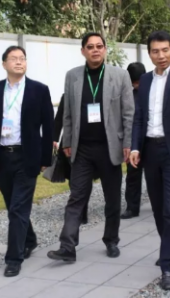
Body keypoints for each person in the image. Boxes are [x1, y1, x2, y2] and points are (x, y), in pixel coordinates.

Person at [48, 33, 134, 262]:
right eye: (90, 47)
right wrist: (67, 141)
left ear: (105, 49)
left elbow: (128, 113)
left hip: (110, 148)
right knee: (76, 197)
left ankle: (111, 240)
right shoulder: (73, 76)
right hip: (82, 149)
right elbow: (67, 113)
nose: (95, 50)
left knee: (112, 199)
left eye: (99, 46)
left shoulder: (120, 76)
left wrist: (128, 143)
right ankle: (67, 246)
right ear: (83, 51)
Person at [129, 30, 170, 291]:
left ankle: (168, 266)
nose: (161, 56)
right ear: (149, 54)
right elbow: (139, 117)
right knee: (158, 207)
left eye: (165, 50)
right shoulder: (145, 80)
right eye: (155, 51)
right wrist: (135, 147)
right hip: (150, 150)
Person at [0, 46, 54, 277]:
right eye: (14, 59)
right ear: (4, 64)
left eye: (22, 58)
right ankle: (29, 239)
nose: (19, 62)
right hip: (2, 156)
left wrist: (45, 157)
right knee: (13, 206)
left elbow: (48, 126)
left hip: (27, 156)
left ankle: (14, 258)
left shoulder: (39, 90)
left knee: (18, 208)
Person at [53, 94, 90, 224]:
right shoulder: (67, 95)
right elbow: (59, 118)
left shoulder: (93, 93)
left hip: (89, 142)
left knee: (84, 178)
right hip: (69, 143)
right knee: (73, 177)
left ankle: (82, 211)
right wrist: (54, 138)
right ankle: (79, 210)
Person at [122, 62, 148, 219]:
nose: (136, 85)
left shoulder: (152, 92)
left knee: (157, 176)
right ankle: (132, 207)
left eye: (138, 82)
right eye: (134, 82)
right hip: (133, 141)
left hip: (150, 140)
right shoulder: (127, 95)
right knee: (132, 176)